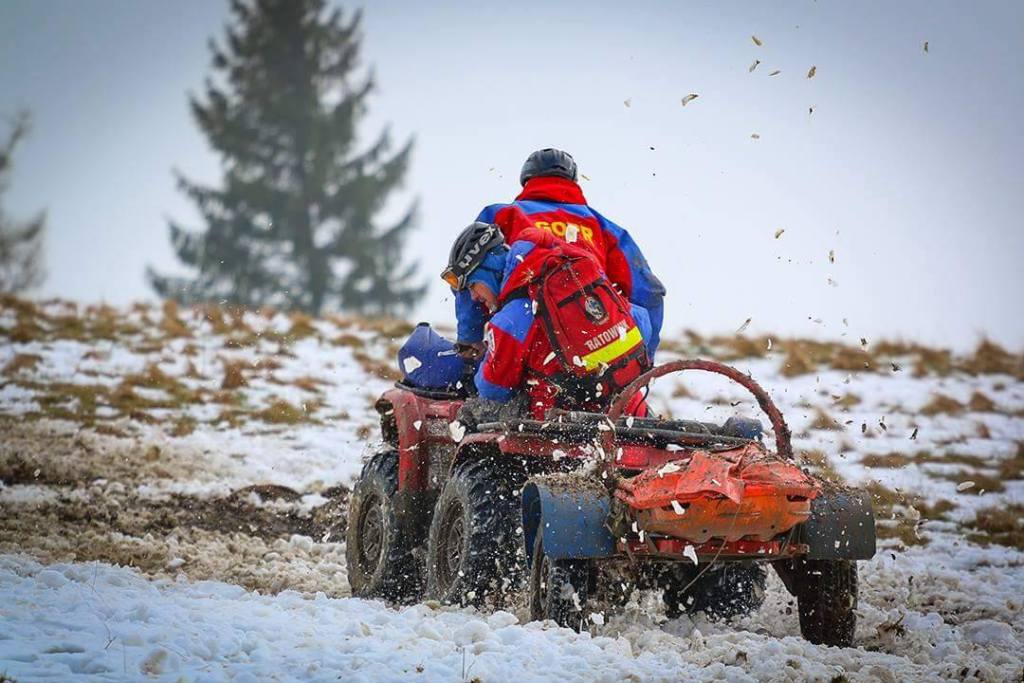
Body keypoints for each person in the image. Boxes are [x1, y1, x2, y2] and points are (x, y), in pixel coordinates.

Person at [453, 148, 665, 362]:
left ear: (527, 181)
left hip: (524, 344)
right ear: (573, 181)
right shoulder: (605, 227)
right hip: (595, 345)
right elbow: (650, 292)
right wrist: (646, 359)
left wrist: (470, 338)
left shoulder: (502, 214)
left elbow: (469, 270)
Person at [441, 222, 651, 425]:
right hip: (631, 413)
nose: (474, 297)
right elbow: (641, 321)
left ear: (488, 270)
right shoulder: (578, 275)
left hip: (563, 431)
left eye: (472, 285)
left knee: (471, 421)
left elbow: (493, 391)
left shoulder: (510, 320)